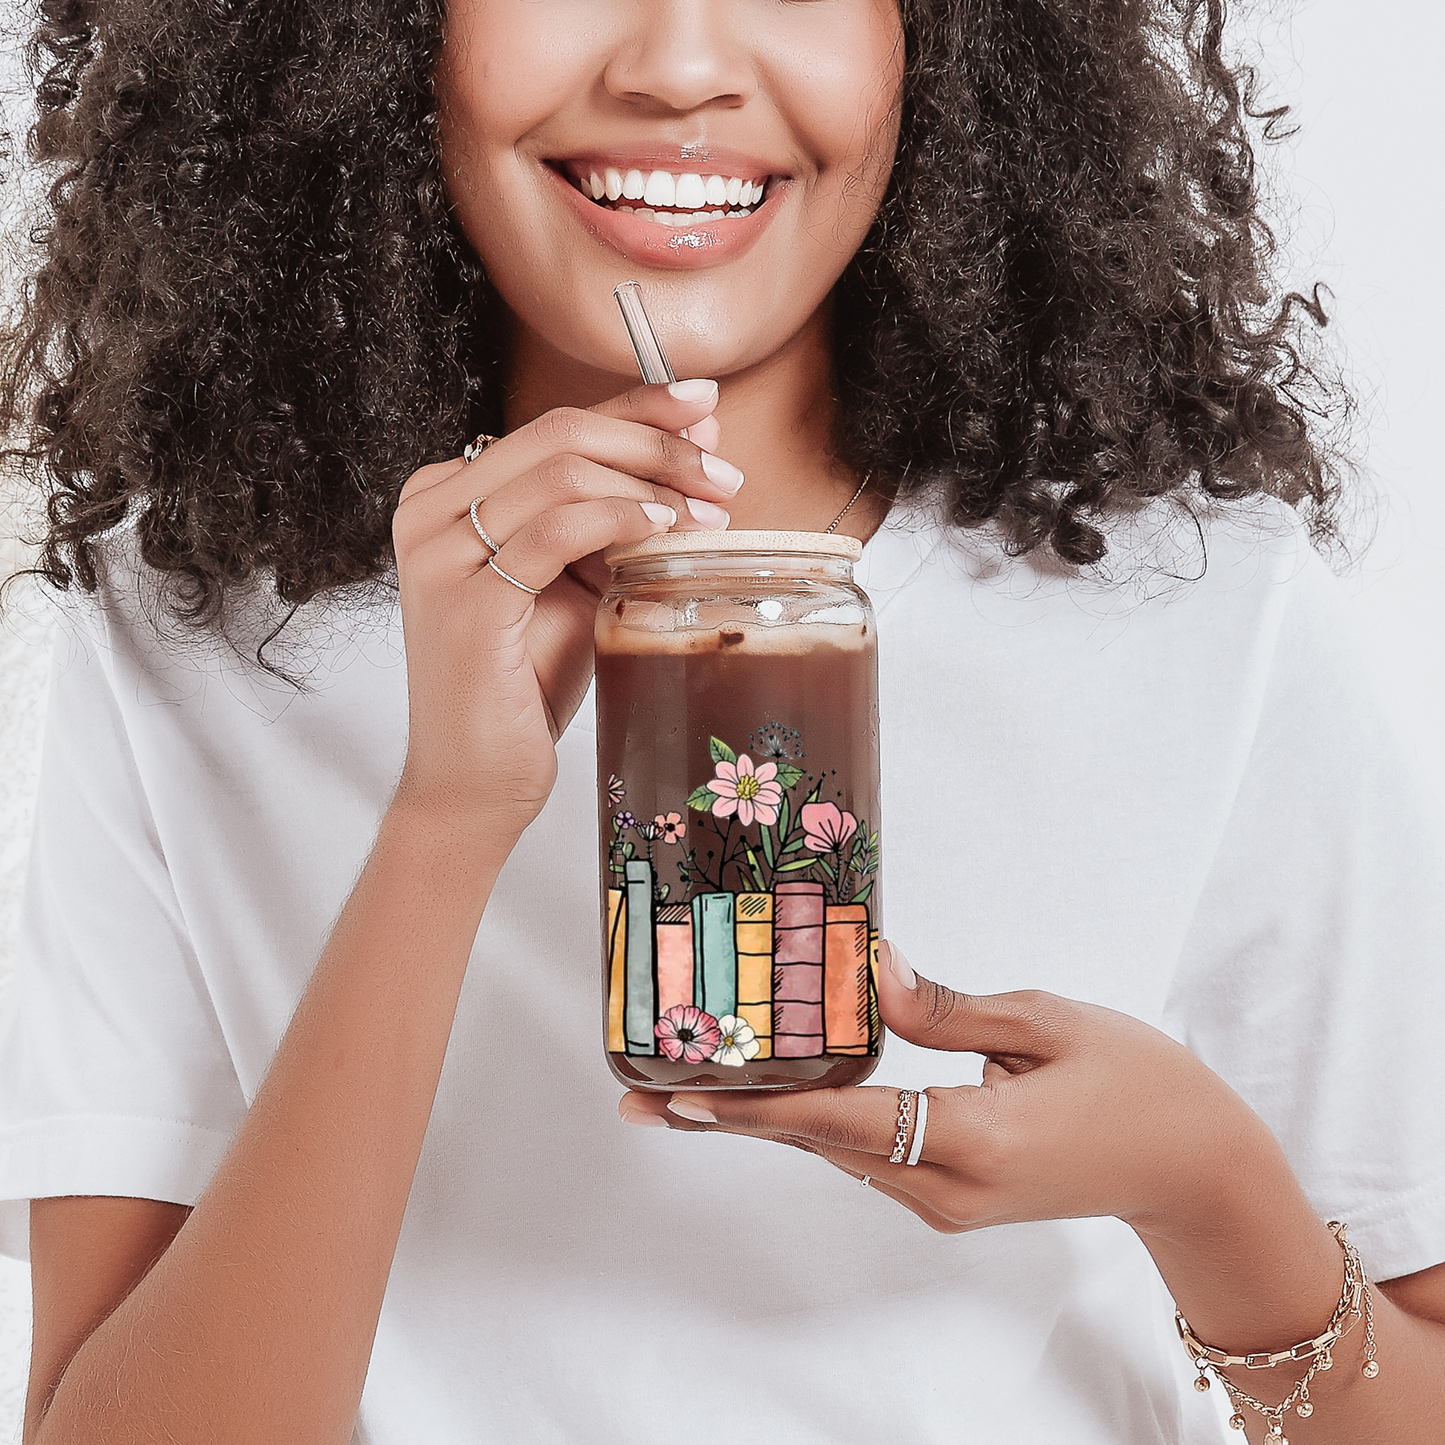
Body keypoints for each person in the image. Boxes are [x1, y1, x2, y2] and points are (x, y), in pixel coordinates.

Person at [1, 0, 1443, 1441]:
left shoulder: (1201, 606)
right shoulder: (190, 625)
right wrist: (447, 819)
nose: (679, 65)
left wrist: (1209, 1194)